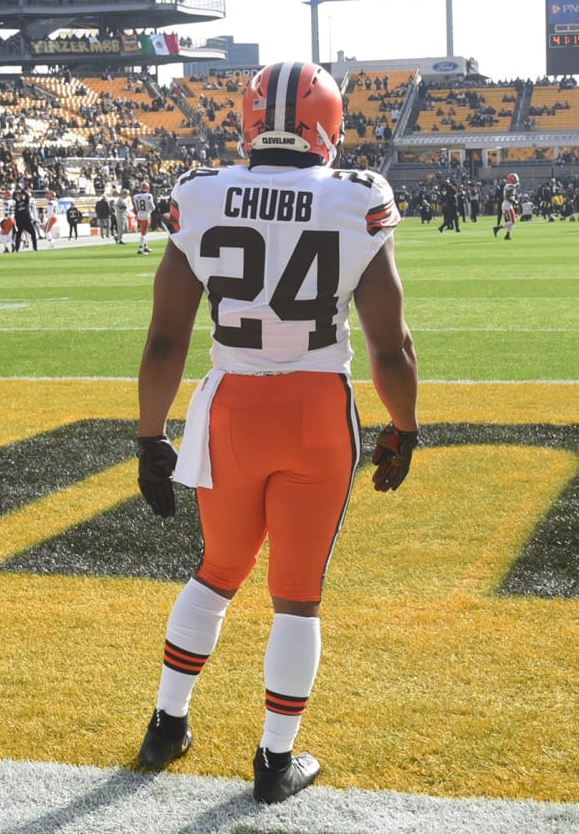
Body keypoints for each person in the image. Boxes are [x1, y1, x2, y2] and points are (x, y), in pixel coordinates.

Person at [133, 61, 420, 804]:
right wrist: (404, 428)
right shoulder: (358, 197)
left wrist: (147, 436)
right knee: (296, 596)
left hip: (229, 409)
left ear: (249, 122)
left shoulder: (201, 193)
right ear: (329, 126)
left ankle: (167, 725)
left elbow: (166, 340)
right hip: (315, 411)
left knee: (217, 569)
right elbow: (391, 346)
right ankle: (273, 761)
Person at [11, 181, 40, 252]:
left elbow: (26, 195)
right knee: (18, 235)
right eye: (20, 195)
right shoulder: (16, 203)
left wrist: (22, 190)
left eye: (21, 195)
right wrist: (16, 190)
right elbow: (13, 196)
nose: (21, 196)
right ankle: (17, 249)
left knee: (33, 233)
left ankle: (35, 248)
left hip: (27, 221)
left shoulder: (26, 202)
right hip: (20, 222)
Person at [132, 180, 156, 254]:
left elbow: (136, 207)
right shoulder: (149, 196)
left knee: (145, 232)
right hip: (146, 214)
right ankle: (140, 248)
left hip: (139, 214)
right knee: (144, 233)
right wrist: (150, 210)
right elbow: (152, 207)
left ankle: (146, 246)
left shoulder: (135, 196)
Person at [496, 173, 518, 240]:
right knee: (512, 221)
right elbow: (507, 196)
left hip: (508, 204)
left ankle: (507, 235)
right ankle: (498, 228)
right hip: (507, 204)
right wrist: (514, 201)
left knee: (511, 221)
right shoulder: (510, 186)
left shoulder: (510, 185)